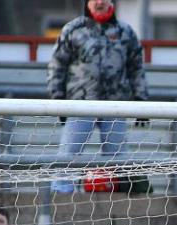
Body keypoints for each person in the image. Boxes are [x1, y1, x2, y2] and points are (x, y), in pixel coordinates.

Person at [47, 0, 148, 194]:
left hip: (115, 105)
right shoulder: (73, 29)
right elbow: (57, 65)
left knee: (117, 158)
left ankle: (120, 199)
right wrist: (57, 99)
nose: (100, 2)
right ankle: (61, 198)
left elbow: (136, 67)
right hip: (80, 104)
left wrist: (141, 100)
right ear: (88, 3)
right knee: (68, 155)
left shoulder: (125, 32)